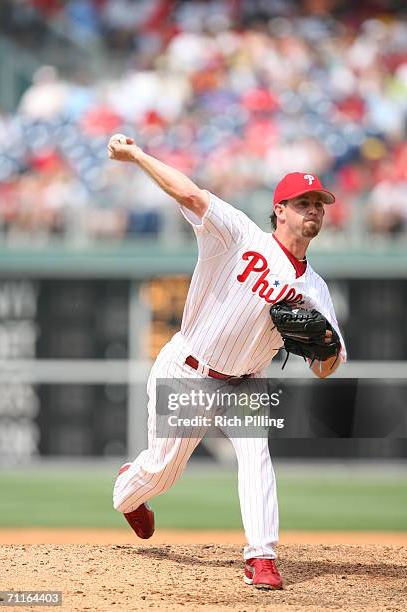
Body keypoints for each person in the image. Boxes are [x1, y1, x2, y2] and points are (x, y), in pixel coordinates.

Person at [109, 135, 346, 590]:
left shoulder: (316, 290)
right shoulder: (239, 234)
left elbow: (329, 365)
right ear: (280, 209)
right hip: (188, 369)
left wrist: (322, 350)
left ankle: (262, 557)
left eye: (319, 203)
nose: (313, 209)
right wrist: (137, 155)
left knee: (256, 454)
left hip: (245, 382)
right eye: (303, 202)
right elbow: (190, 195)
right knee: (160, 472)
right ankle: (128, 491)